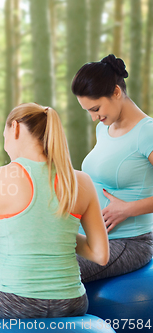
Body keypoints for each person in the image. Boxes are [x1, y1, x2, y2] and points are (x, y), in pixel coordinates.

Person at [0, 103, 110, 332]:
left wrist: (3, 282)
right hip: (72, 302)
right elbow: (100, 254)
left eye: (4, 135)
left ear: (15, 128)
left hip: (13, 299)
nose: (5, 143)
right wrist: (55, 232)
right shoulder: (81, 181)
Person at [71, 54, 153, 283]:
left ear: (116, 92)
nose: (93, 118)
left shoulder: (147, 133)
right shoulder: (104, 129)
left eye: (95, 108)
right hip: (87, 236)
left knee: (50, 268)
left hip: (128, 242)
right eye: (88, 110)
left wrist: (129, 209)